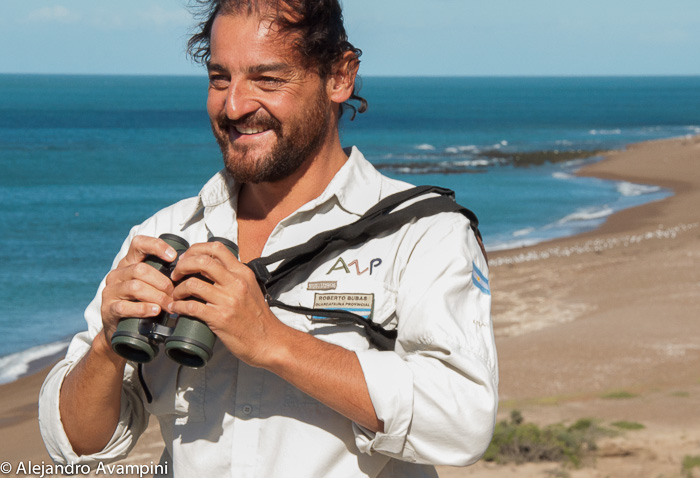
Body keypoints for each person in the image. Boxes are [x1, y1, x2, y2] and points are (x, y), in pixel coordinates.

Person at [38, 1, 498, 477]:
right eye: (220, 78)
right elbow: (74, 448)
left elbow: (463, 421)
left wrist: (272, 341)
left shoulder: (421, 233)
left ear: (340, 77)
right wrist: (106, 349)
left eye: (267, 79)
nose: (235, 106)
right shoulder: (164, 235)